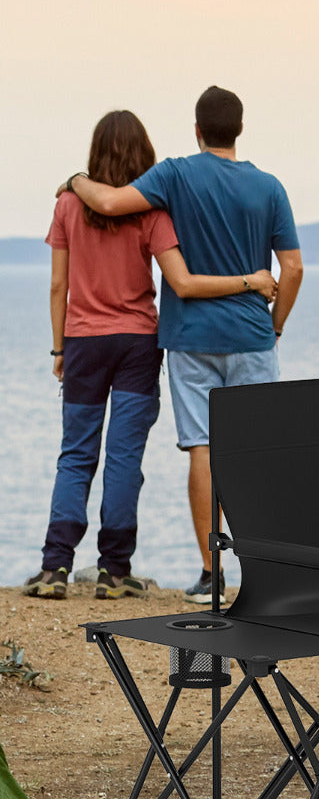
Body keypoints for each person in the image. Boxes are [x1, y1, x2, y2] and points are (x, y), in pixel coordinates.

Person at [64, 86, 303, 604]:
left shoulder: (175, 174)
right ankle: (271, 573)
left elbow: (106, 201)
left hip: (191, 340)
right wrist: (275, 325)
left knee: (203, 449)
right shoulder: (270, 187)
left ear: (197, 130)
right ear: (238, 129)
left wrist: (74, 179)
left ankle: (210, 573)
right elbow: (294, 268)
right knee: (259, 454)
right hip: (252, 337)